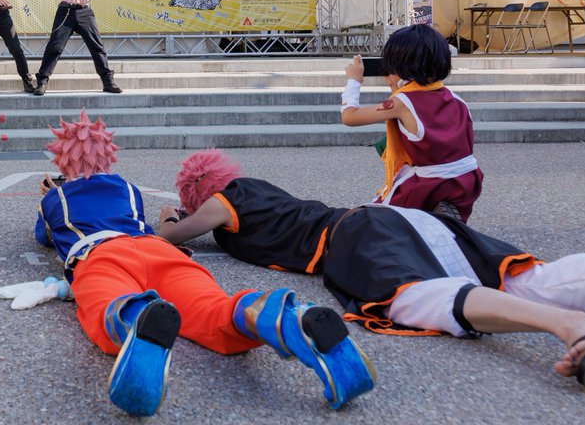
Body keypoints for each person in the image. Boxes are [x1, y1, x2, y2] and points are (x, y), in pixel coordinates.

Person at [32, 111, 375, 416]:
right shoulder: (128, 188)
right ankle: (286, 318)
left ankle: (135, 319)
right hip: (158, 250)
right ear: (108, 156)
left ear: (63, 160)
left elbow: (44, 236)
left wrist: (48, 196)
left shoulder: (55, 198)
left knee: (107, 304)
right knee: (214, 311)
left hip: (101, 254)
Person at [158, 149, 585, 389]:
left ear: (199, 191)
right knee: (519, 278)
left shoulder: (222, 202)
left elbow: (172, 237)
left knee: (412, 298)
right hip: (383, 218)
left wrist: (168, 218)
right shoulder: (259, 192)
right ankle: (573, 310)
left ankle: (570, 325)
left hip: (355, 236)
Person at [340, 23, 481, 220]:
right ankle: (439, 216)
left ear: (400, 65)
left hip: (430, 184)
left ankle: (431, 210)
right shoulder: (456, 99)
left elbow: (349, 116)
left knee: (376, 220)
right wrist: (396, 85)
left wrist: (354, 81)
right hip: (467, 180)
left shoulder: (402, 102)